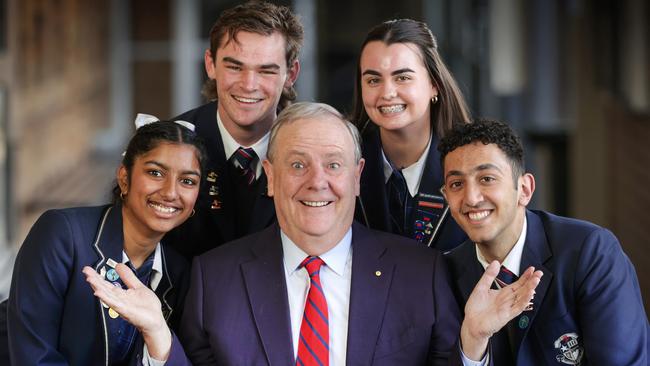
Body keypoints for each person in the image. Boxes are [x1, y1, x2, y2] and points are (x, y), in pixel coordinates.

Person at [85, 102, 542, 366]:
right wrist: (158, 339)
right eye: (297, 165)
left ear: (359, 174)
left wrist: (474, 346)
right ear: (269, 175)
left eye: (334, 165)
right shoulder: (214, 279)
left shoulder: (421, 273)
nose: (317, 181)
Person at [440, 119, 649, 365]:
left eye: (487, 179)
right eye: (456, 184)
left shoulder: (590, 252)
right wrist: (474, 340)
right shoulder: (445, 273)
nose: (471, 198)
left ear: (525, 189)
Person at [6, 120, 207, 365]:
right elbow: (33, 357)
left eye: (188, 181)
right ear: (124, 177)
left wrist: (158, 335)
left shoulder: (179, 273)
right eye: (155, 173)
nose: (170, 192)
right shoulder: (63, 235)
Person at [163, 0, 303, 259]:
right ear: (210, 64)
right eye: (235, 67)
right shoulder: (167, 146)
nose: (249, 85)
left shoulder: (311, 148)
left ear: (291, 74)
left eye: (266, 71)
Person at [350, 19, 469, 251]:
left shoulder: (474, 166)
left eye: (402, 77)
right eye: (373, 80)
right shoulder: (341, 165)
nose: (387, 93)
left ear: (434, 84)